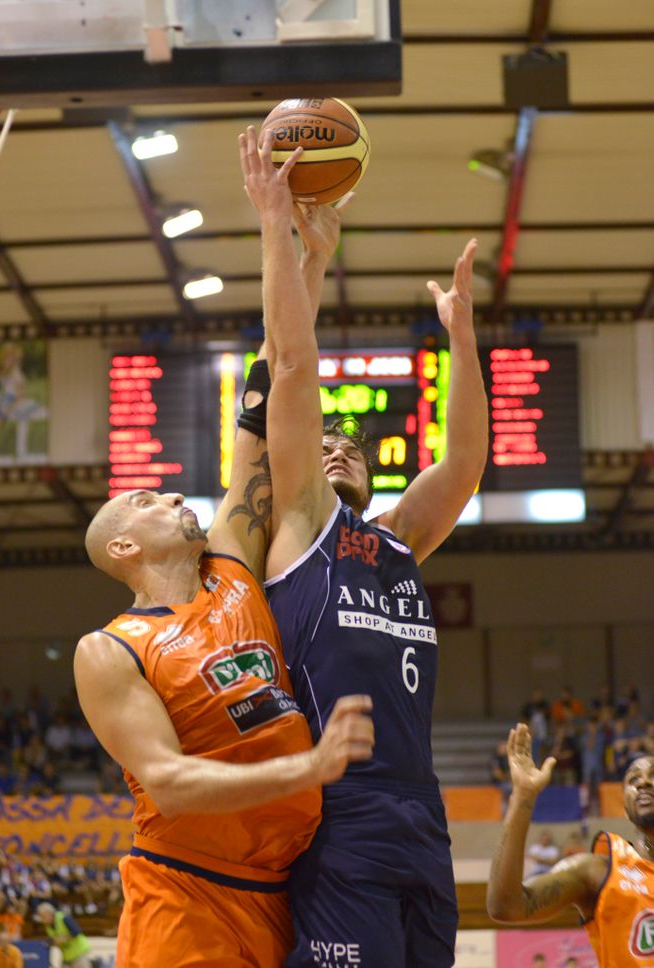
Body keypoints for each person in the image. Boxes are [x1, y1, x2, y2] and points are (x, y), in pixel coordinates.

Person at [239, 124, 488, 967]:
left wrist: (460, 337)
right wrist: (279, 229)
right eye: (325, 441)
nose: (337, 445)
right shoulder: (303, 526)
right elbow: (295, 368)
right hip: (340, 810)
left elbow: (462, 463)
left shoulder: (396, 540)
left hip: (423, 811)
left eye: (354, 444)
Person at [75, 313, 375, 966]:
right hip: (184, 894)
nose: (174, 493)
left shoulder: (232, 564)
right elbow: (169, 783)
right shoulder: (110, 648)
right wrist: (312, 767)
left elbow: (257, 418)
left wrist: (294, 250)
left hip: (277, 893)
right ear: (124, 546)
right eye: (148, 499)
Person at [487, 723, 654, 966]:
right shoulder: (597, 872)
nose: (643, 783)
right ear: (626, 809)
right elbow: (506, 906)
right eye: (633, 779)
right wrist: (522, 797)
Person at [36, 903, 90, 968]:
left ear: (49, 914)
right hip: (66, 957)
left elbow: (77, 931)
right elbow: (52, 940)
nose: (42, 920)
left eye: (43, 916)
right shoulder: (47, 926)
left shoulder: (64, 918)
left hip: (79, 953)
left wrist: (64, 938)